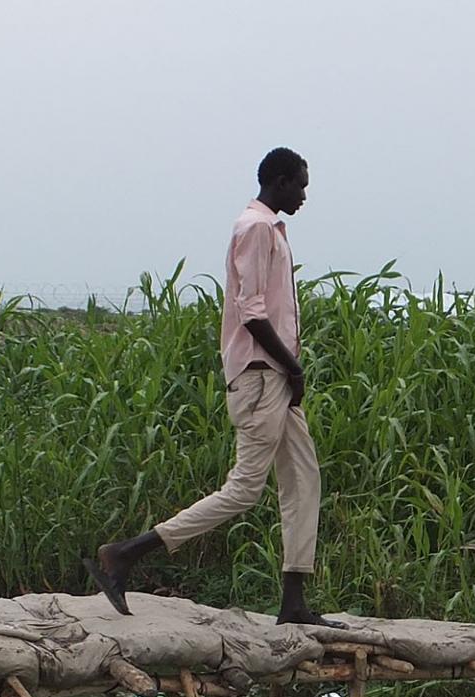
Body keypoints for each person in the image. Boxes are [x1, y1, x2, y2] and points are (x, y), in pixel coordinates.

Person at [87, 147, 341, 627]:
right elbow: (252, 311)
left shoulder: (269, 229)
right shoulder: (256, 228)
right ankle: (125, 553)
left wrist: (289, 370)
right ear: (281, 181)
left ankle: (293, 604)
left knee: (304, 481)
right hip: (263, 377)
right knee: (245, 489)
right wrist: (293, 368)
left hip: (274, 379)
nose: (305, 195)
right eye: (302, 185)